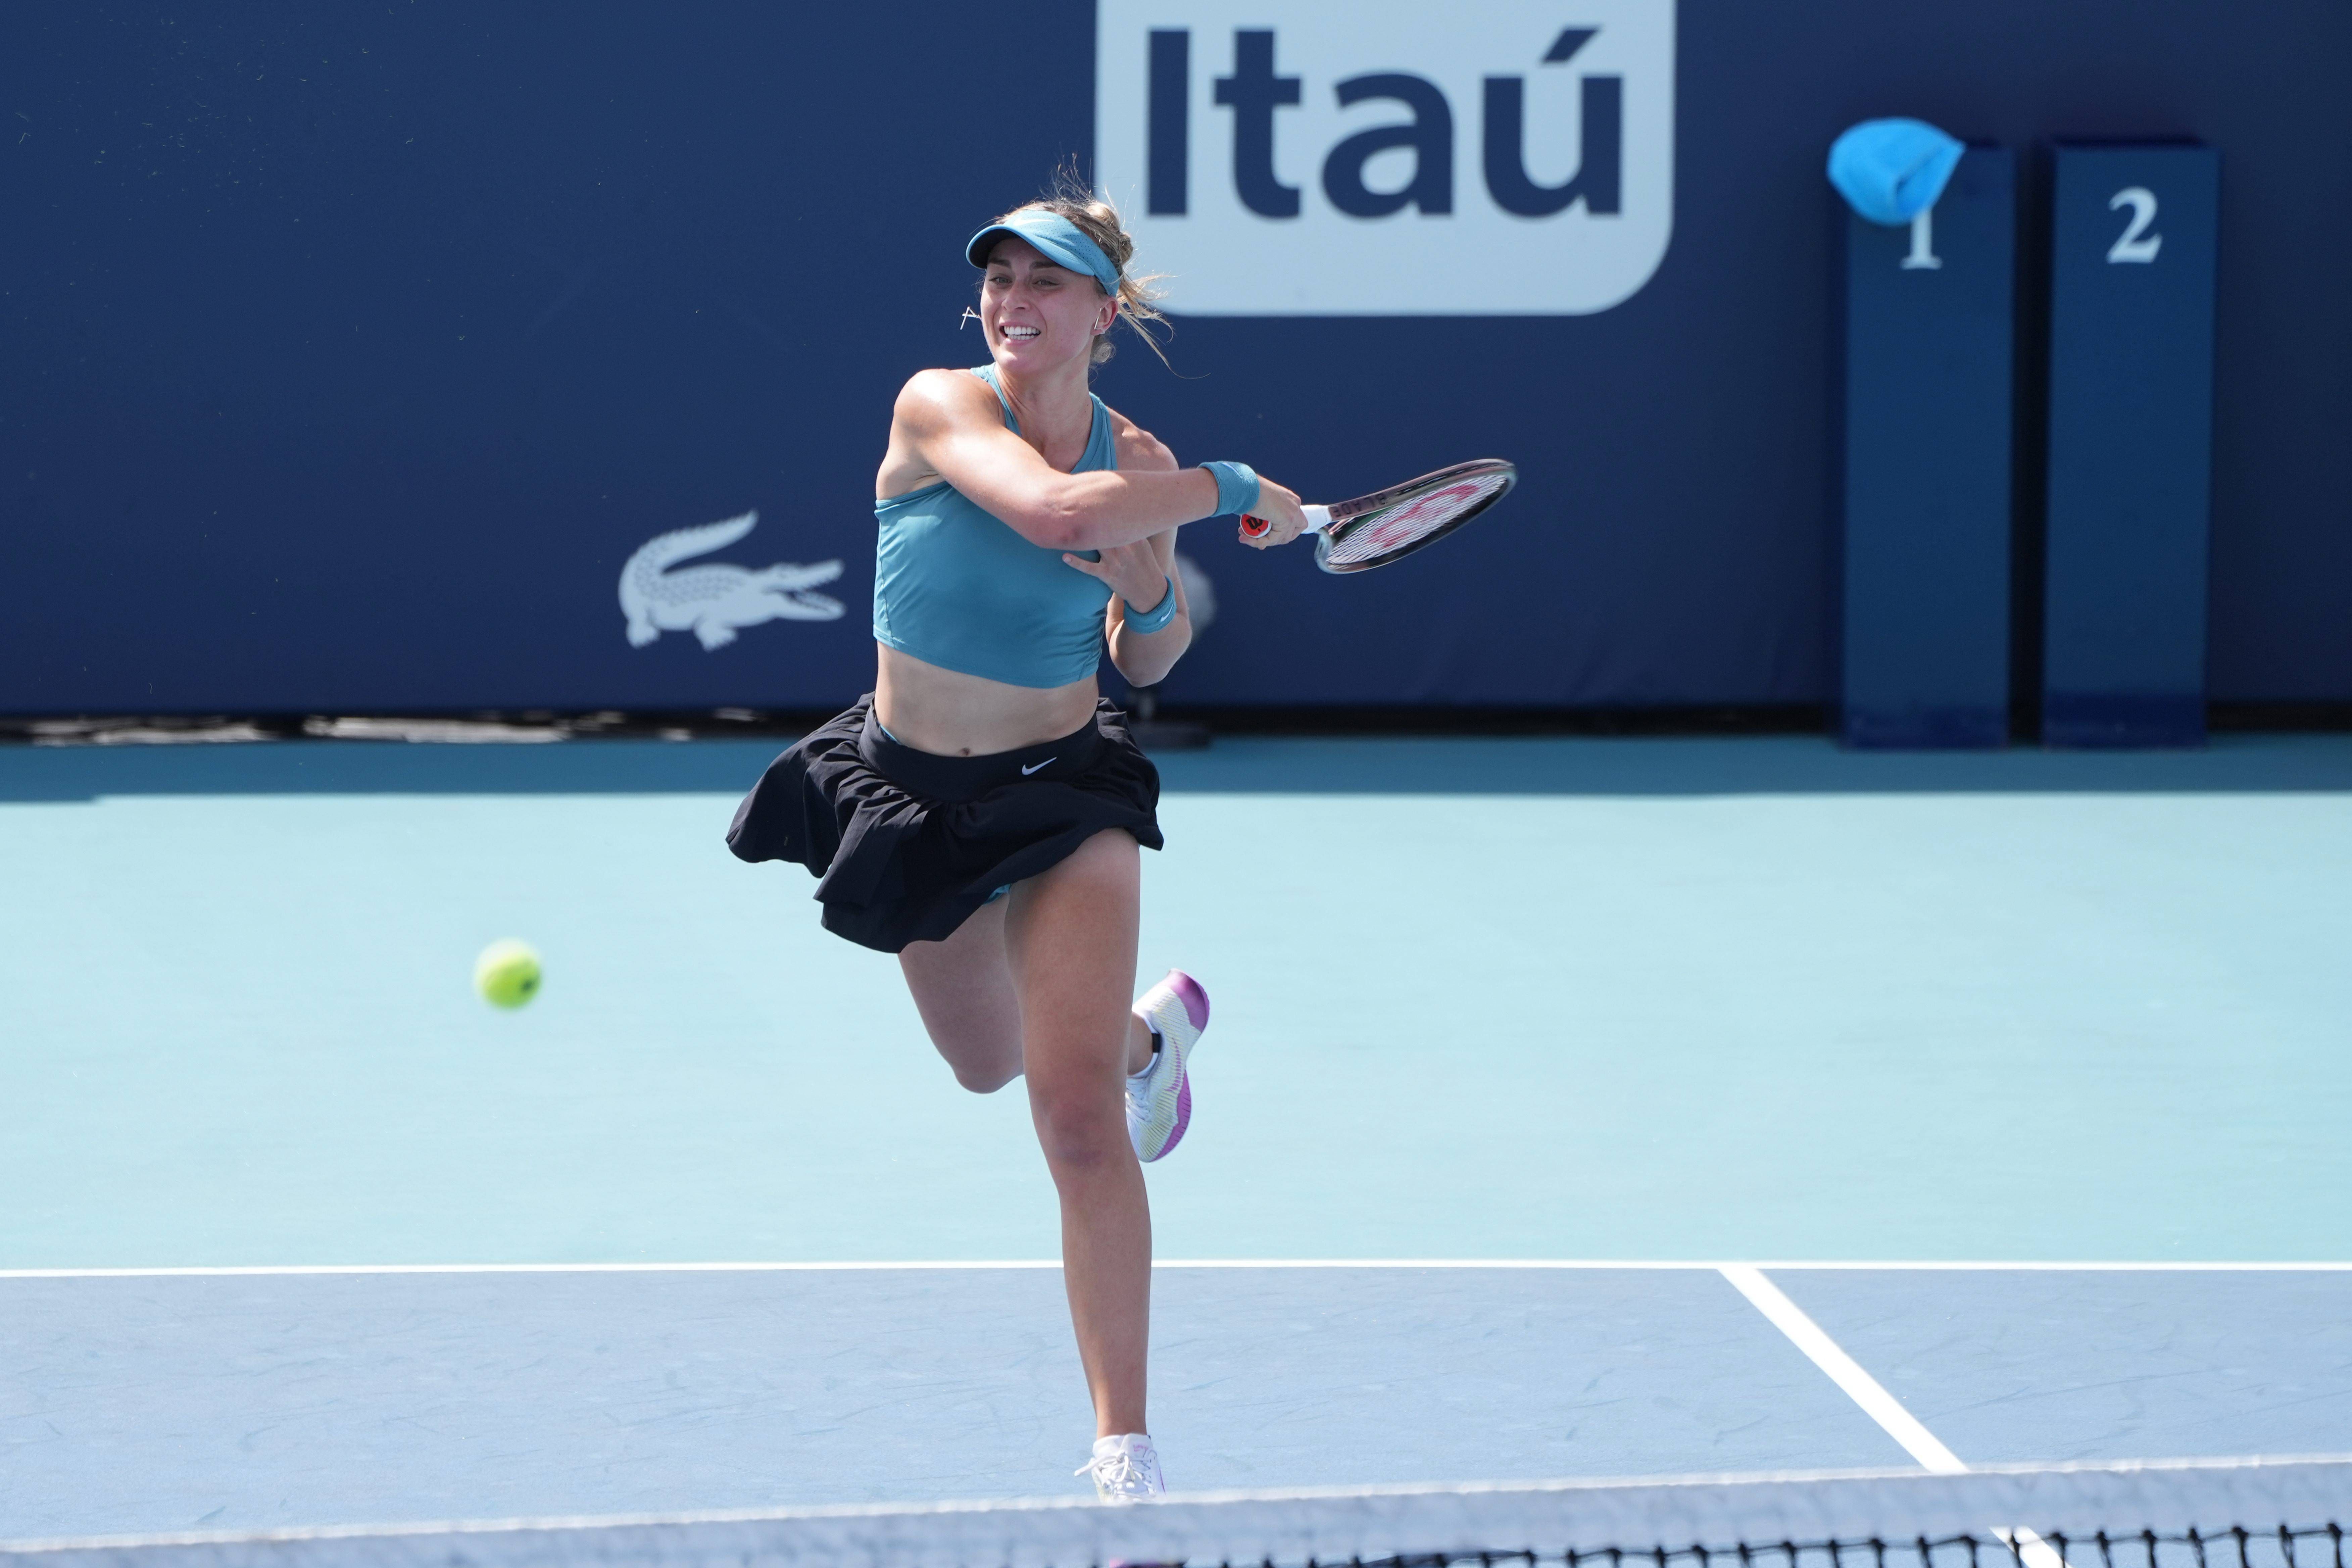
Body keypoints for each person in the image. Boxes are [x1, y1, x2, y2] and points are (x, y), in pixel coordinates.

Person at [726, 184, 1310, 1501]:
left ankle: (1124, 1448)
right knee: (987, 1063)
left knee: (1075, 1122)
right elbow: (1054, 517)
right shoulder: (940, 406)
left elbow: (1149, 656)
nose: (1013, 301)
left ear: (1105, 312)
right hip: (912, 796)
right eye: (999, 278)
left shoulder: (1137, 453)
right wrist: (1235, 488)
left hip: (1062, 795)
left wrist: (1151, 590)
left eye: (1046, 281)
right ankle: (1147, 1043)